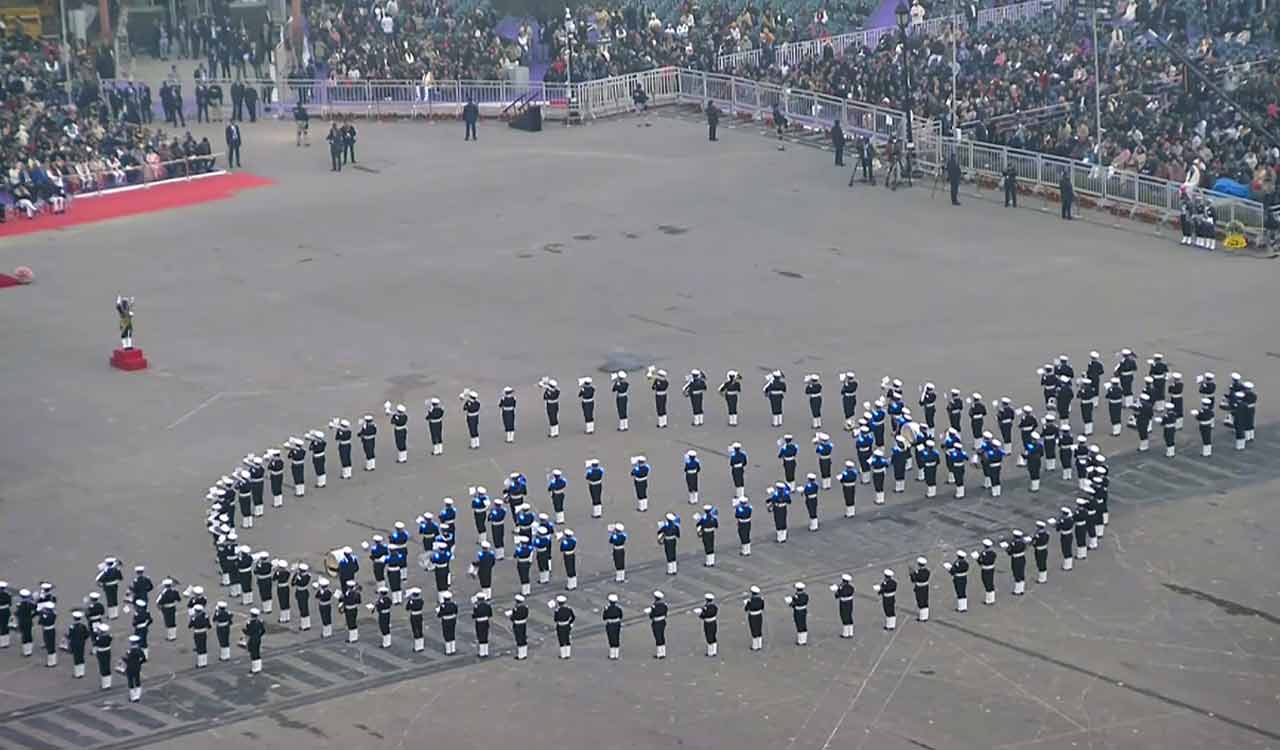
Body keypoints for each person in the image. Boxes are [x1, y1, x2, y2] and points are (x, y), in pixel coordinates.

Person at [644, 591, 669, 658]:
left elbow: (652, 615)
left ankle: (660, 654)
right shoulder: (664, 605)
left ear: (655, 598)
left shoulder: (654, 606)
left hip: (656, 622)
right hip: (663, 621)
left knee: (658, 637)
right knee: (662, 636)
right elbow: (666, 613)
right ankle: (663, 652)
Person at [505, 594, 530, 660]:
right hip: (523, 623)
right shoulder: (525, 607)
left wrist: (511, 617)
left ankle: (521, 655)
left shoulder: (516, 609)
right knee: (523, 637)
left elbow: (514, 617)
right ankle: (524, 653)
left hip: (517, 624)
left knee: (519, 639)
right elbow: (526, 615)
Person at [123, 634, 147, 702]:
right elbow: (144, 659)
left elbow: (128, 660)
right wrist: (139, 663)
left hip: (130, 668)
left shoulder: (129, 651)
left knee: (130, 681)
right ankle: (137, 696)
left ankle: (133, 697)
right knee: (137, 680)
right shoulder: (140, 650)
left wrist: (123, 659)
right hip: (137, 667)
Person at [743, 586, 765, 650]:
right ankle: (759, 645)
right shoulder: (761, 599)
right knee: (759, 628)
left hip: (752, 616)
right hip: (759, 615)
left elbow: (746, 609)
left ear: (752, 593)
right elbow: (762, 607)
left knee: (753, 629)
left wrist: (746, 604)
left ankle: (755, 646)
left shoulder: (750, 601)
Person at [471, 592, 493, 658]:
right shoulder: (488, 605)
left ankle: (482, 653)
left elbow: (475, 615)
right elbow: (490, 614)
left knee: (480, 637)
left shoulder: (476, 606)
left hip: (479, 622)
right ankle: (486, 652)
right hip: (486, 622)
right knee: (485, 636)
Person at [602, 593, 623, 659]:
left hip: (610, 624)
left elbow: (604, 618)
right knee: (616, 637)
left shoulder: (607, 609)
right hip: (617, 624)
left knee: (611, 638)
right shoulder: (618, 608)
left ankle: (612, 654)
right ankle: (616, 654)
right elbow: (621, 616)